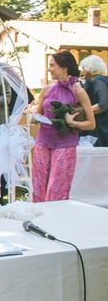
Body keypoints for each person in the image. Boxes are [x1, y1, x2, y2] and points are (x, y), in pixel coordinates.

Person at [33, 51, 95, 202]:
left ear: (64, 67)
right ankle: (38, 222)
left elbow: (91, 124)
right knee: (38, 187)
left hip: (65, 145)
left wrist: (72, 122)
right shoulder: (47, 89)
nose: (49, 69)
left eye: (52, 65)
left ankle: (55, 223)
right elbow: (37, 114)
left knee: (56, 189)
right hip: (43, 143)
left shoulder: (78, 91)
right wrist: (35, 117)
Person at [79, 55, 108, 147]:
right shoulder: (93, 82)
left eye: (83, 68)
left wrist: (83, 112)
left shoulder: (98, 82)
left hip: (101, 125)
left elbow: (103, 105)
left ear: (90, 69)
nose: (82, 71)